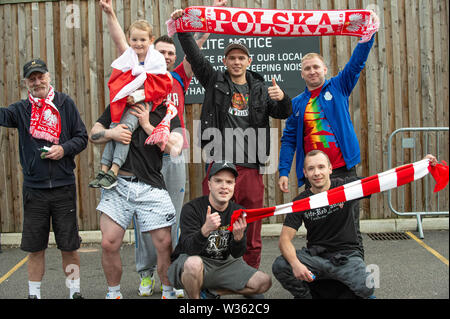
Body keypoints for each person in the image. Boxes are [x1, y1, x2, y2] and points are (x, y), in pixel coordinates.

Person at [98, 0, 228, 298]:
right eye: (163, 52)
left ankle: (171, 276)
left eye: (172, 53)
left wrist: (209, 15)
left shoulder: (178, 78)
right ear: (151, 53)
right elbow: (121, 42)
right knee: (142, 218)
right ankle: (145, 275)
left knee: (168, 219)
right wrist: (111, 14)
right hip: (146, 149)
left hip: (172, 147)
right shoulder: (140, 73)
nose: (168, 57)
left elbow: (196, 47)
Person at [170, 8, 292, 270]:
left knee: (252, 226)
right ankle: (211, 275)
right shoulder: (214, 80)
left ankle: (250, 276)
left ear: (249, 61)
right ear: (225, 62)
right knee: (214, 224)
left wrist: (283, 99)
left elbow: (283, 113)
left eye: (241, 57)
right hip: (219, 165)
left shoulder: (260, 88)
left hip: (250, 167)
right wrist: (182, 26)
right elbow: (193, 54)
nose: (236, 62)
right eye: (231, 58)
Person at [278, 10, 379, 258]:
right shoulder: (297, 104)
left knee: (351, 226)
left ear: (324, 69)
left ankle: (356, 272)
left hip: (343, 169)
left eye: (316, 67)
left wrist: (370, 33)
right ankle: (323, 272)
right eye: (307, 69)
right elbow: (289, 140)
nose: (312, 71)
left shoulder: (339, 86)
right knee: (318, 226)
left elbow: (357, 62)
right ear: (301, 74)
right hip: (314, 175)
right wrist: (283, 171)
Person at [0, 59, 88, 299]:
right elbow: (2, 116)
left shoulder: (64, 103)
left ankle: (74, 292)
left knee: (69, 246)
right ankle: (34, 294)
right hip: (34, 189)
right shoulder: (20, 109)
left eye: (41, 76)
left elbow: (82, 137)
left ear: (49, 77)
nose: (37, 81)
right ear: (26, 83)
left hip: (63, 187)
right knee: (35, 247)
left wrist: (64, 148)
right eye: (32, 78)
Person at [89, 95, 183, 298]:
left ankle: (168, 291)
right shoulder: (119, 105)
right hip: (118, 185)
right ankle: (113, 293)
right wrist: (112, 133)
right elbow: (93, 134)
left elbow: (175, 147)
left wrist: (147, 125)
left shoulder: (167, 110)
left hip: (150, 185)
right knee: (109, 242)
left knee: (164, 243)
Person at [88, 13, 173, 190]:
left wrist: (139, 95)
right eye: (134, 39)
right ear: (129, 39)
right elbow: (121, 74)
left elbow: (160, 85)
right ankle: (104, 170)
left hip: (145, 102)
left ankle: (114, 170)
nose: (138, 44)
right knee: (114, 128)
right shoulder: (129, 58)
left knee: (124, 129)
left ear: (151, 40)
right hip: (126, 101)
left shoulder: (156, 61)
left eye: (143, 39)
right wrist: (109, 13)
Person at [168, 161, 272, 299]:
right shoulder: (192, 209)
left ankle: (214, 292)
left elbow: (237, 254)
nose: (224, 187)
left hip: (223, 263)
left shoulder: (239, 212)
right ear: (209, 184)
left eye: (229, 182)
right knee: (194, 264)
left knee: (263, 282)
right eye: (218, 181)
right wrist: (205, 230)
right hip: (194, 263)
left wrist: (238, 237)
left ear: (234, 185)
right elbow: (188, 248)